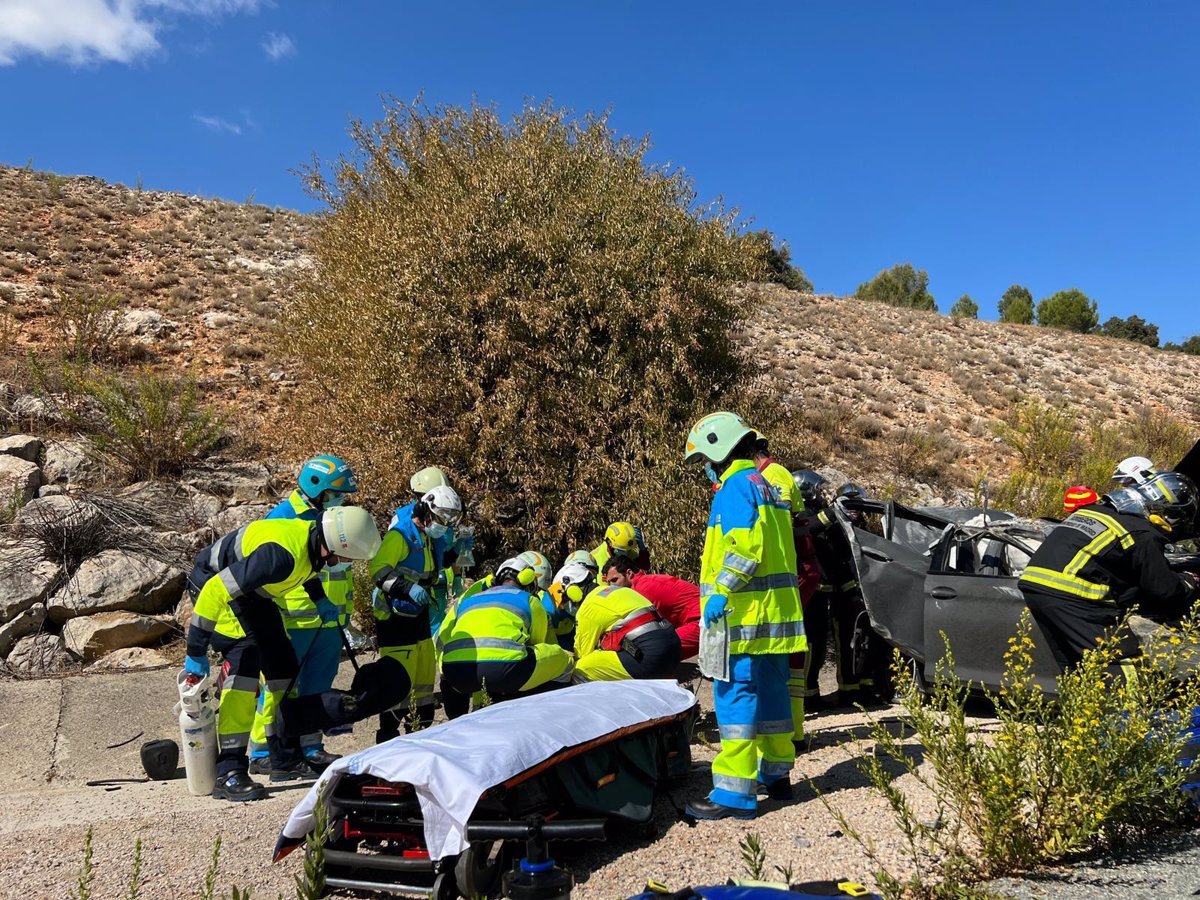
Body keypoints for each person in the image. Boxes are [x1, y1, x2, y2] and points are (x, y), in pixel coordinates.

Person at [184, 506, 382, 801]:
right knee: (245, 659)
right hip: (212, 583)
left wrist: (320, 599)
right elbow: (216, 591)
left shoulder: (313, 544)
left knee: (284, 667)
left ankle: (285, 758)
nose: (344, 564)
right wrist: (195, 650)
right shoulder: (279, 556)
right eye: (346, 558)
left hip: (252, 592)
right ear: (334, 547)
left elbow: (303, 569)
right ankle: (230, 769)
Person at [682, 411, 806, 820]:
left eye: (704, 459)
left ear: (718, 451)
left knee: (735, 700)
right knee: (773, 699)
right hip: (774, 621)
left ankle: (734, 793)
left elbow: (745, 549)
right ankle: (777, 774)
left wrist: (720, 592)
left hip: (741, 619)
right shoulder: (766, 486)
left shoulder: (734, 489)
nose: (705, 468)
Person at [246, 455, 359, 776]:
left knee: (319, 684)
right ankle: (262, 750)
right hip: (292, 619)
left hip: (329, 619)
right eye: (335, 493)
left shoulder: (335, 518)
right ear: (316, 487)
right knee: (280, 687)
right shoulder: (282, 517)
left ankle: (309, 746)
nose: (340, 500)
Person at [1020, 472, 1200, 673]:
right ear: (1166, 511)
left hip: (1035, 585)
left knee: (1076, 667)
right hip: (1074, 597)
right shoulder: (1141, 533)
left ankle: (1080, 702)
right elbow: (1164, 590)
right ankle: (1129, 704)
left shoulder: (1095, 511)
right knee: (1121, 661)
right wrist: (1188, 580)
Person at [368, 485, 464, 741]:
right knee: (398, 676)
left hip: (418, 610)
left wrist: (457, 549)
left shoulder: (428, 536)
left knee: (423, 670)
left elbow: (434, 564)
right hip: (394, 615)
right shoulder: (401, 535)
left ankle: (419, 728)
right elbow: (378, 570)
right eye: (442, 519)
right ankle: (388, 733)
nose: (444, 525)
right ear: (426, 511)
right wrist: (406, 588)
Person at [436, 556, 575, 718]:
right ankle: (542, 714)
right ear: (528, 580)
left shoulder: (467, 600)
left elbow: (442, 638)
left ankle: (457, 718)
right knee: (563, 660)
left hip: (455, 673)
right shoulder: (530, 600)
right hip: (506, 671)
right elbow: (537, 642)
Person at [562, 562, 681, 681]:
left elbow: (582, 653)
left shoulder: (587, 608)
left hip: (649, 656)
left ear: (573, 591)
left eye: (566, 597)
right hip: (674, 648)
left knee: (579, 669)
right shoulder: (619, 590)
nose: (567, 603)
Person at [602, 556, 701, 660]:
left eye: (614, 580)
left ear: (629, 574)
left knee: (655, 652)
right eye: (608, 583)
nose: (611, 587)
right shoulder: (645, 581)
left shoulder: (642, 590)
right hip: (698, 616)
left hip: (703, 619)